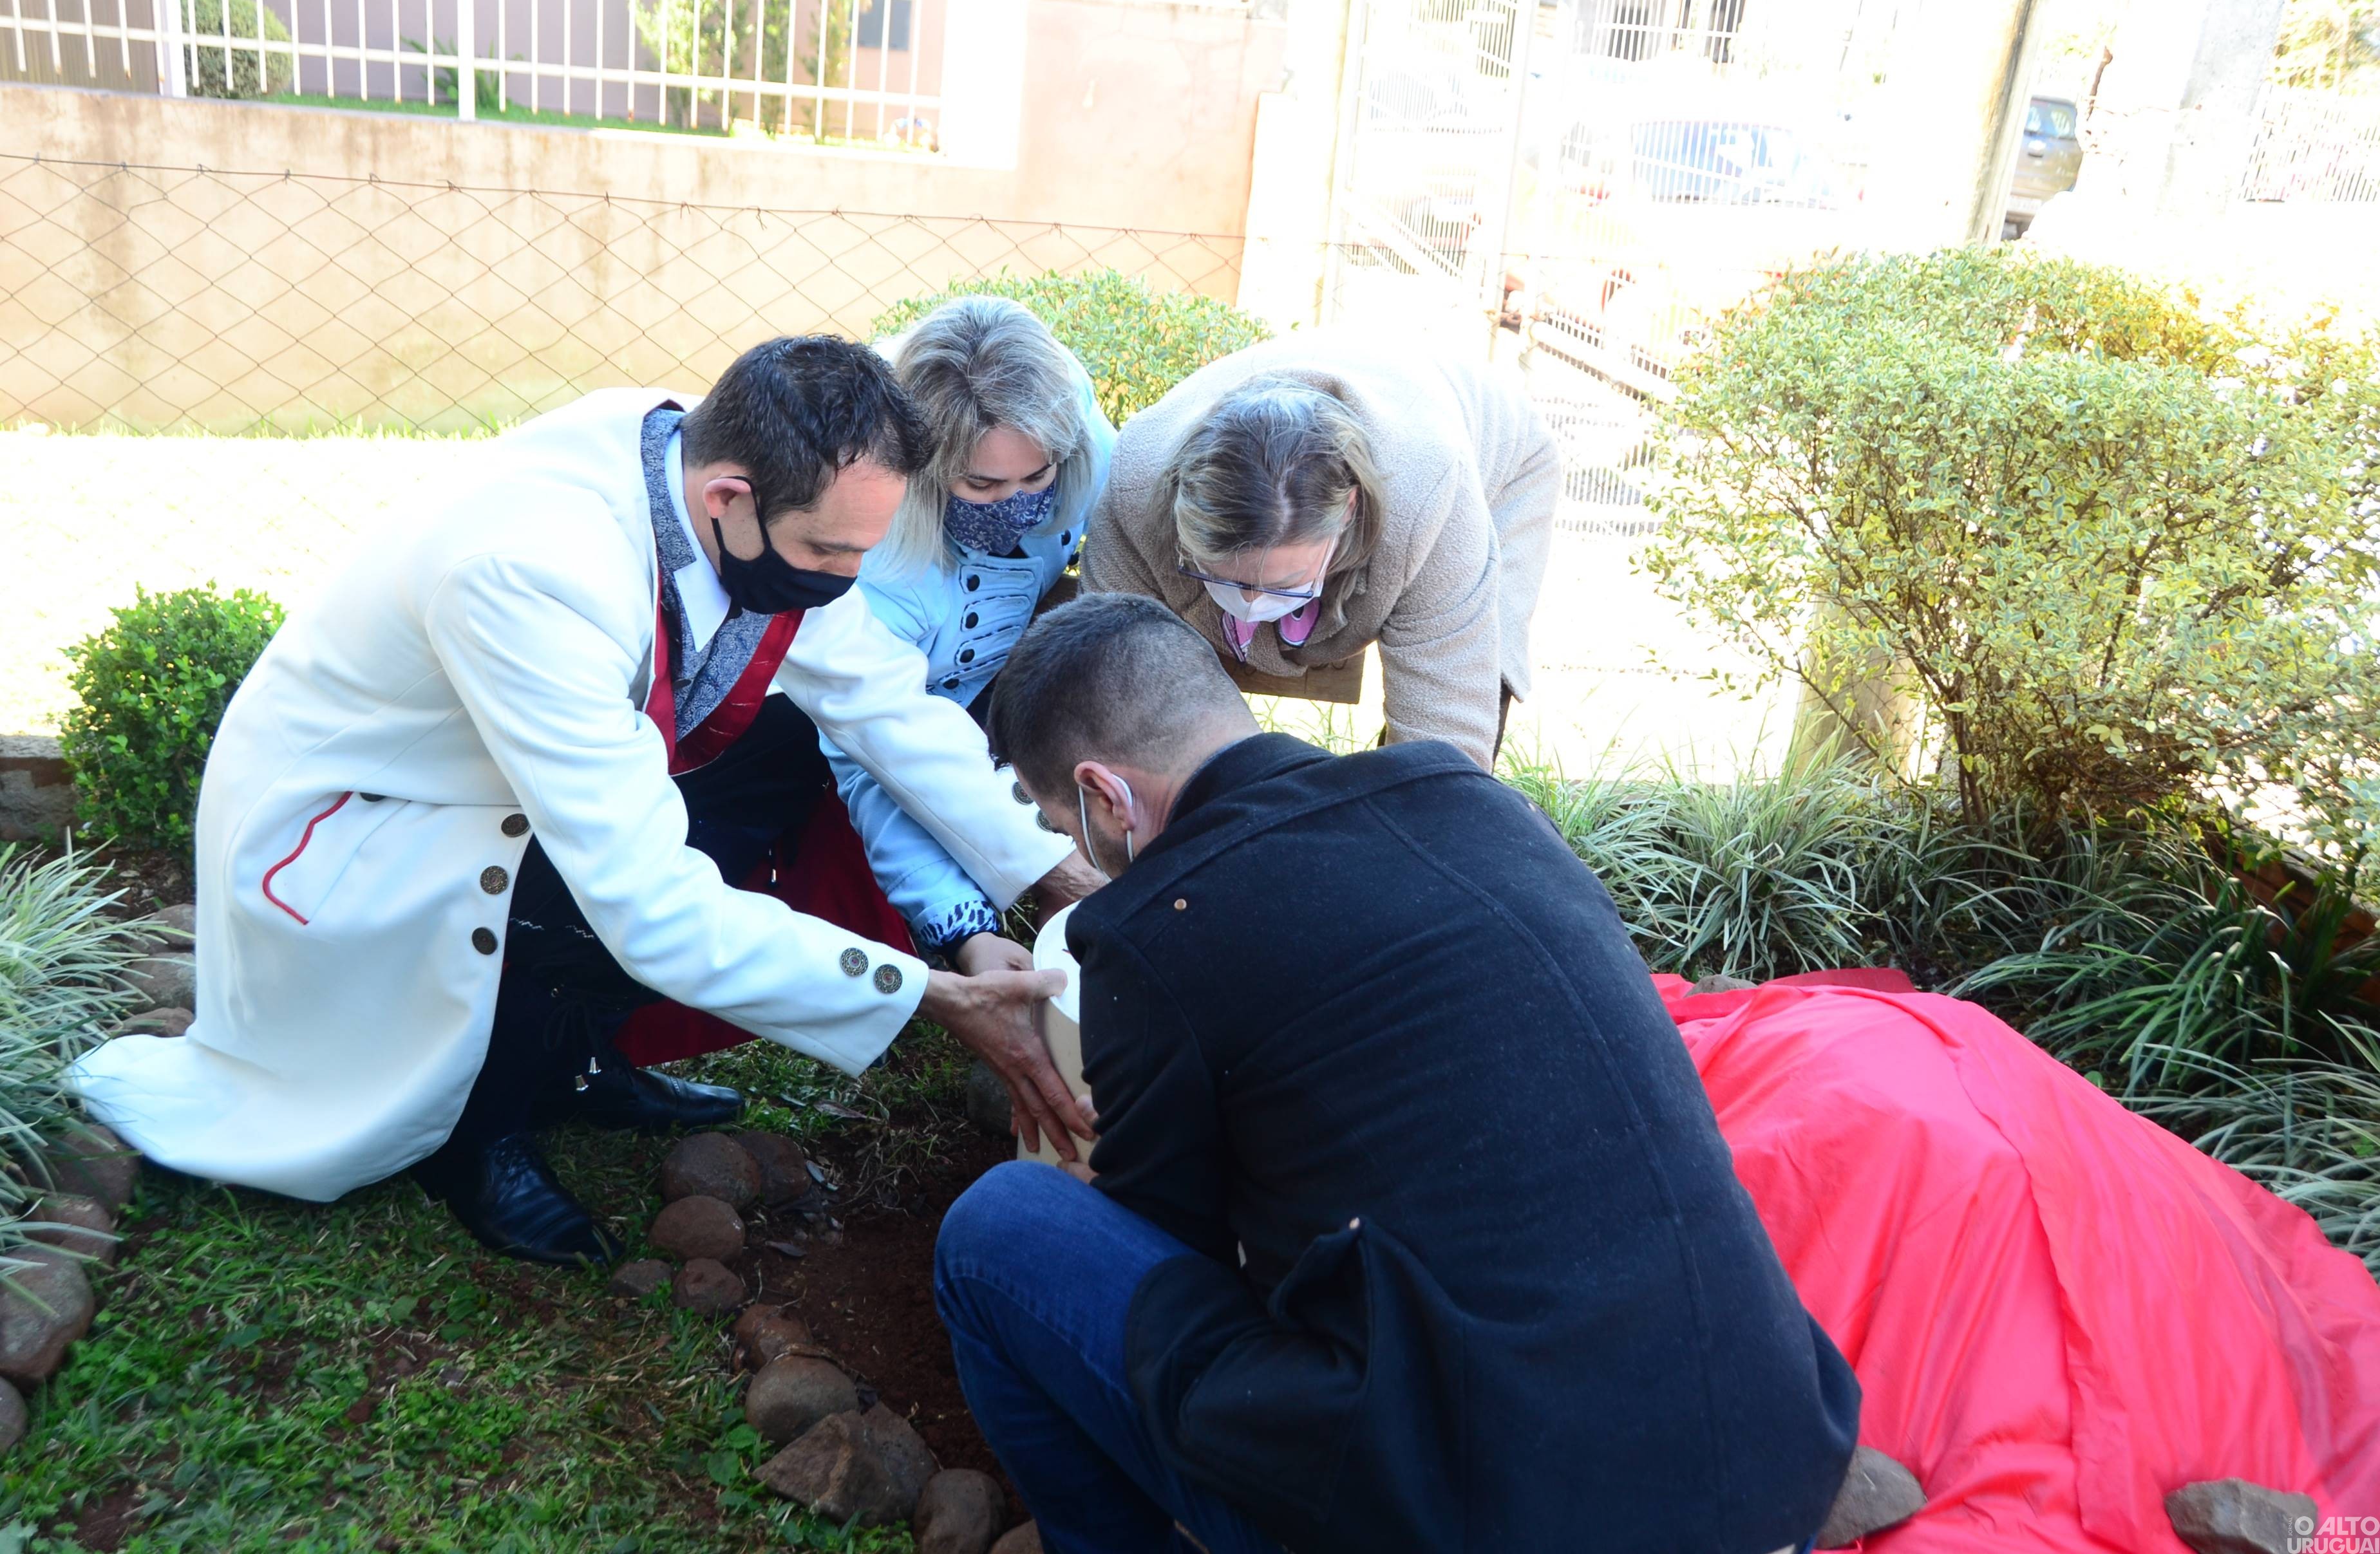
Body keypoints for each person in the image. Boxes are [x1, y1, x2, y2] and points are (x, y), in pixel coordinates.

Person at [68, 338, 1100, 1266]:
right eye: (832, 553)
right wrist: (926, 993)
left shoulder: (696, 463)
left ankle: (575, 1062)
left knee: (787, 758)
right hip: (347, 833)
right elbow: (645, 900)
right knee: (570, 884)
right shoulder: (531, 573)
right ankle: (481, 1133)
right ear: (729, 499)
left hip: (491, 787)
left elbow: (882, 701)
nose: (849, 577)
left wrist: (1058, 869)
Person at [934, 592, 1862, 1554]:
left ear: (1105, 797)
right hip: (1771, 1461)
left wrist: (1105, 1175)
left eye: (1062, 822)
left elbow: (1173, 1246)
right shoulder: (1479, 804)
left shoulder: (1154, 929)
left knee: (1000, 1230)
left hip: (1490, 1518)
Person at [1081, 326, 1561, 768]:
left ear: (1349, 509)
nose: (1250, 605)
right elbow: (1115, 689)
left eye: (1282, 584)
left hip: (1497, 463)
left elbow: (1447, 739)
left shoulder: (1428, 499)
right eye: (1223, 577)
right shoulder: (1137, 485)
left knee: (1474, 688)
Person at [817, 296, 1117, 969]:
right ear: (922, 467)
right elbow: (876, 747)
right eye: (980, 484)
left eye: (1037, 476)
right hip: (864, 723)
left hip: (996, 689)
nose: (1016, 501)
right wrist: (964, 931)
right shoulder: (875, 557)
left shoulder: (1091, 447)